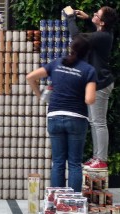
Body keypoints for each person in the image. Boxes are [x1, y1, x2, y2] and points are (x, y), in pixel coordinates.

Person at [26, 35, 96, 192]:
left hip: (55, 115)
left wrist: (40, 95)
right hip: (77, 118)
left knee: (57, 162)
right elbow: (90, 99)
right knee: (74, 163)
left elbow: (30, 77)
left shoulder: (57, 63)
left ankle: (57, 203)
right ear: (87, 53)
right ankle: (72, 205)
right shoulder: (88, 70)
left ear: (71, 48)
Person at [64, 6, 118, 169]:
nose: (94, 14)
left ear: (101, 22)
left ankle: (100, 159)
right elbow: (93, 34)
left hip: (100, 83)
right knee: (95, 122)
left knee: (98, 122)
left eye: (97, 15)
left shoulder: (102, 36)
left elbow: (77, 39)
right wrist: (88, 19)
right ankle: (97, 157)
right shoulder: (105, 33)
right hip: (99, 82)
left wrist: (70, 18)